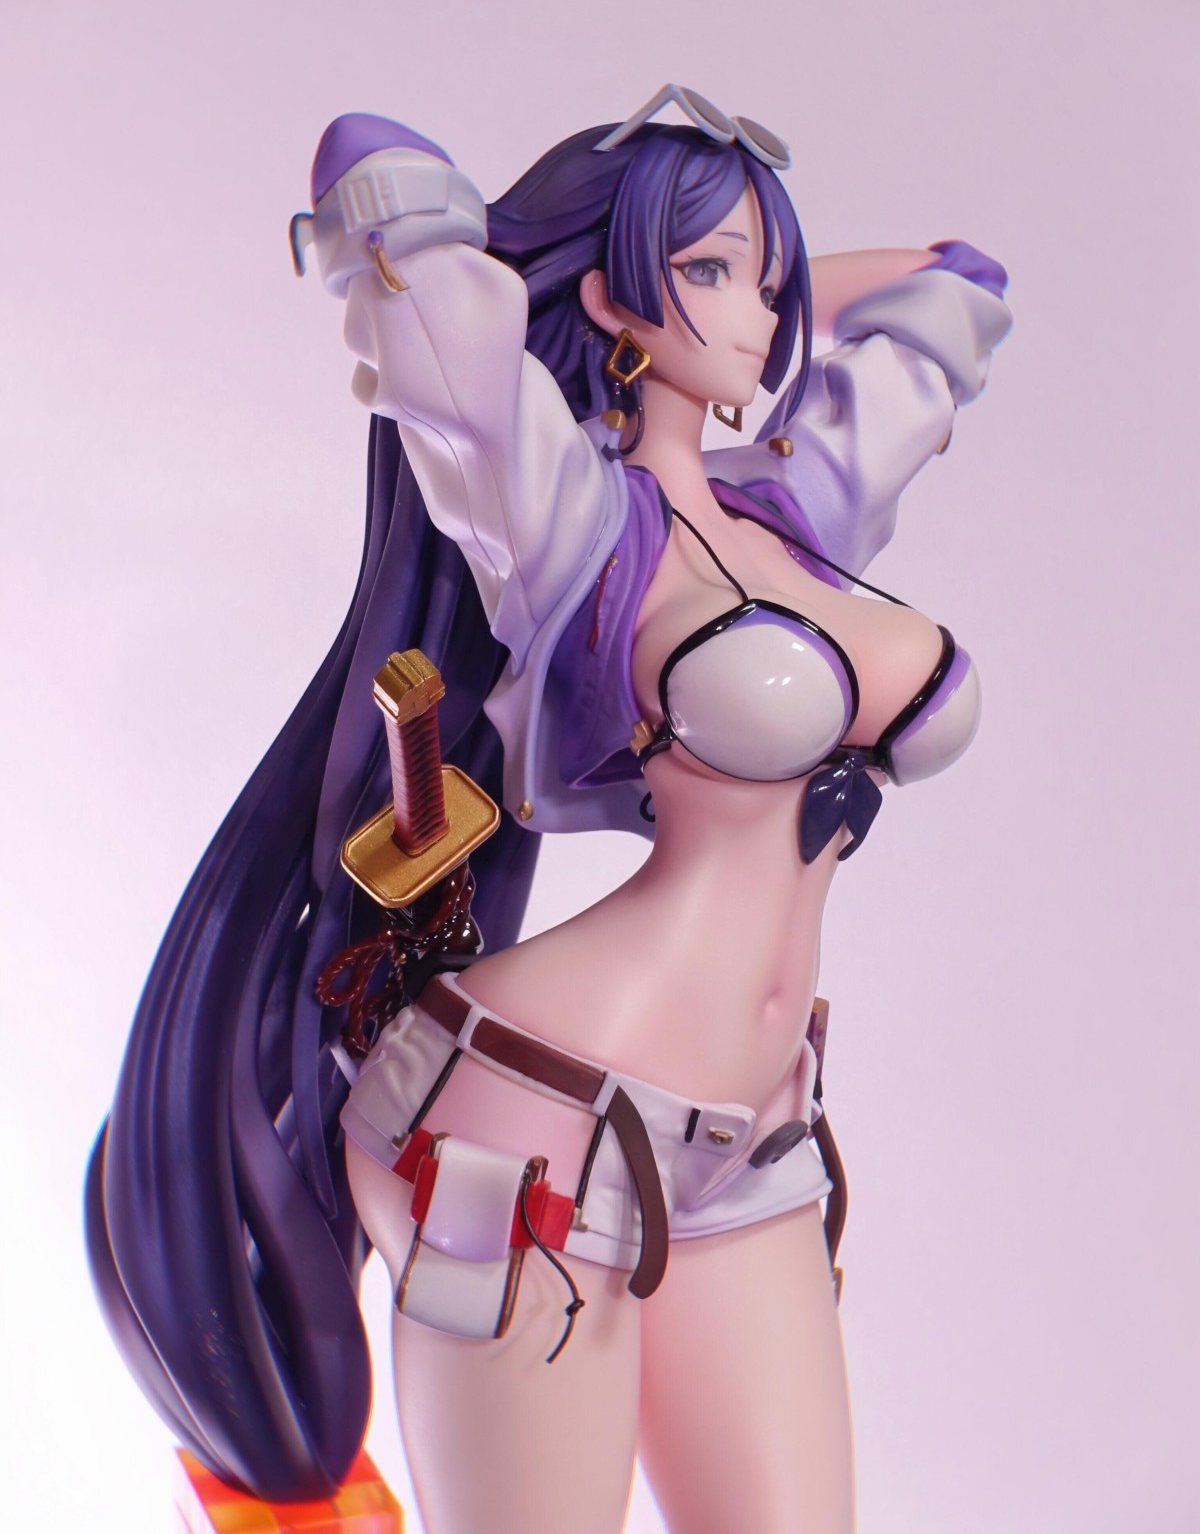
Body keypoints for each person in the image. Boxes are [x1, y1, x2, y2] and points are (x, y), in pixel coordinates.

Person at [87, 87, 1011, 1534]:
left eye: (769, 282)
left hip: (753, 1133)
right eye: (712, 272)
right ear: (615, 301)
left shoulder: (799, 516)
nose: (761, 317)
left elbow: (947, 302)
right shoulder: (575, 527)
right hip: (529, 1128)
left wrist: (772, 271)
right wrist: (591, 248)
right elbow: (391, 208)